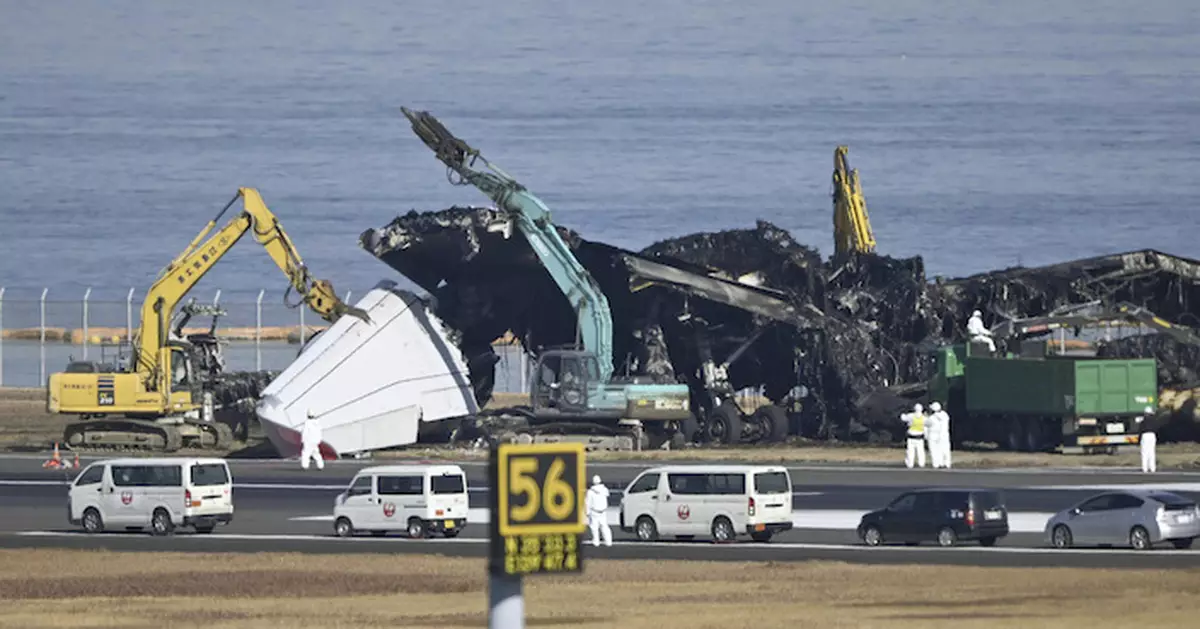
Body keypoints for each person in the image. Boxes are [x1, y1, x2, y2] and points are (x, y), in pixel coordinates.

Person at [585, 475, 613, 547]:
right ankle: (608, 542)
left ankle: (596, 542)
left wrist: (587, 512)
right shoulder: (604, 489)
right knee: (604, 527)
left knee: (594, 528)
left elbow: (587, 503)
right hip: (603, 512)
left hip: (594, 512)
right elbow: (607, 494)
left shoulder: (590, 492)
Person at [900, 403, 927, 469]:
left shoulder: (911, 416)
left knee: (910, 452)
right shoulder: (924, 418)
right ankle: (921, 463)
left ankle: (910, 464)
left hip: (911, 437)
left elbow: (903, 418)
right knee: (920, 452)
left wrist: (902, 412)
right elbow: (926, 428)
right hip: (920, 438)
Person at [927, 402, 952, 468]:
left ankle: (937, 464)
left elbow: (926, 423)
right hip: (944, 435)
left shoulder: (931, 418)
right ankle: (946, 463)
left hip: (934, 435)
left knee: (934, 450)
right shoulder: (945, 415)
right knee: (945, 450)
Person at [1137, 406, 1156, 474]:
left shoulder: (1143, 421)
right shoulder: (1154, 420)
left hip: (1145, 435)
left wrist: (1138, 440)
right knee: (1152, 452)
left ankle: (1145, 468)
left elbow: (1140, 431)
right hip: (1152, 435)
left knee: (1144, 452)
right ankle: (1152, 468)